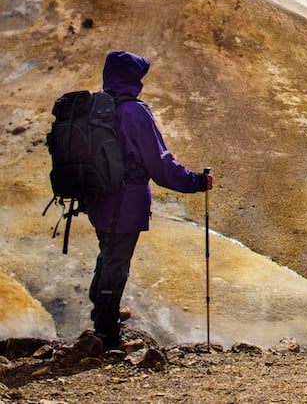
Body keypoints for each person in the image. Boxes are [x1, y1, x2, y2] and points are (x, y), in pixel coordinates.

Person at [86, 50, 212, 350]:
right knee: (117, 261)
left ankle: (103, 318)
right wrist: (195, 181)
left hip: (97, 197)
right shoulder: (134, 112)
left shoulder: (96, 108)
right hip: (125, 201)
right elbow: (160, 165)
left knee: (108, 255)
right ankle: (106, 334)